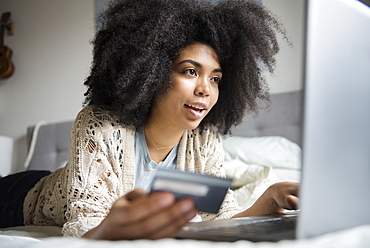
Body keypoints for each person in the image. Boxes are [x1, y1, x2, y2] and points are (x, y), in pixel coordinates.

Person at [0, 0, 299, 240]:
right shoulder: (100, 125)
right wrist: (109, 228)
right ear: (152, 74)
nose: (205, 89)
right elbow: (84, 225)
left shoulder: (204, 141)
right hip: (19, 198)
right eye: (190, 71)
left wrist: (268, 200)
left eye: (216, 78)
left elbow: (219, 218)